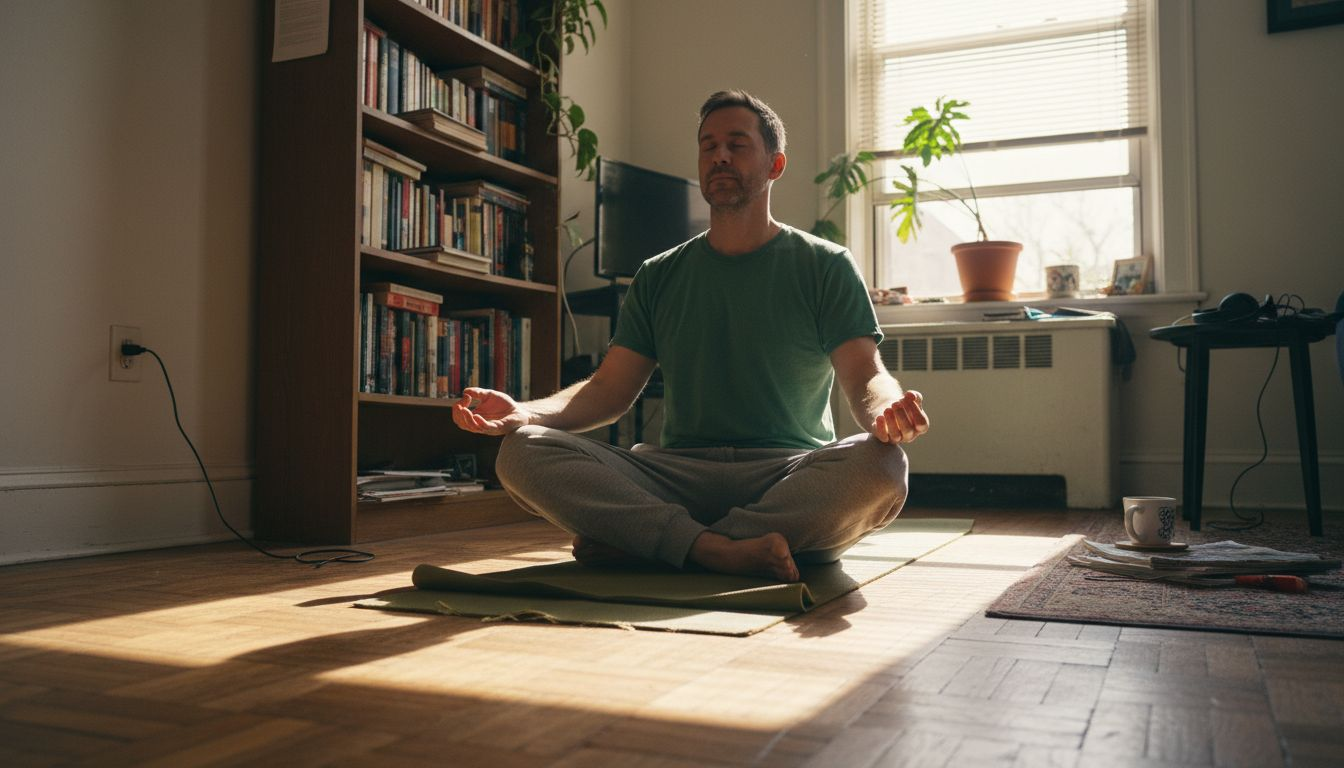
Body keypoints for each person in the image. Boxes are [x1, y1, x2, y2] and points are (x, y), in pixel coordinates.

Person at [452, 89, 929, 582]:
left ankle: (655, 541)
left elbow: (864, 375)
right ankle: (720, 547)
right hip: (673, 474)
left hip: (785, 473)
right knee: (522, 450)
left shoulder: (825, 264)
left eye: (737, 144)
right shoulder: (657, 275)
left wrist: (887, 412)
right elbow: (610, 391)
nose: (719, 155)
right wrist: (523, 412)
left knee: (883, 466)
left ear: (775, 165)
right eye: (708, 145)